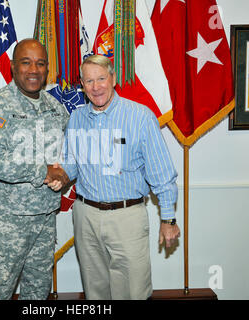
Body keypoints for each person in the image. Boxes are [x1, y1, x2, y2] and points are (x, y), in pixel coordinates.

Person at [57, 55, 180, 300]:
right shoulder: (77, 119)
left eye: (101, 78)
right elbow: (72, 163)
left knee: (133, 292)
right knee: (95, 293)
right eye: (89, 81)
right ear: (82, 84)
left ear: (113, 78)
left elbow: (162, 172)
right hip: (86, 218)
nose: (96, 87)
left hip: (127, 218)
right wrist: (58, 176)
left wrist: (168, 218)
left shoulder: (140, 116)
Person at [0, 38, 69, 300]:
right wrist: (43, 172)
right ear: (13, 67)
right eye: (26, 63)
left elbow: (67, 154)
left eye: (40, 63)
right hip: (7, 220)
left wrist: (64, 174)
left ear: (47, 69)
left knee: (38, 291)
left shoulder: (55, 108)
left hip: (45, 217)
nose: (33, 70)